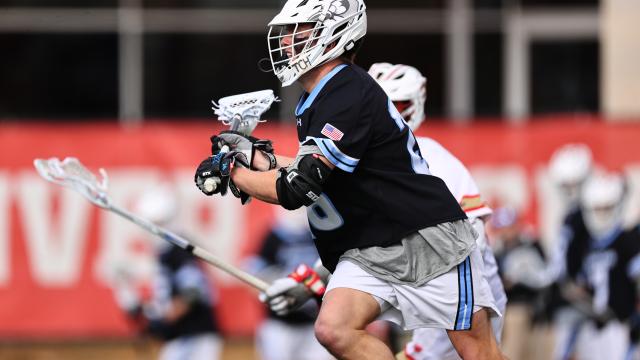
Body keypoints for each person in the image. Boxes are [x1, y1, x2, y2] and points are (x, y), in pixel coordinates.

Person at [194, 1, 503, 359]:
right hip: (370, 246)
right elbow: (312, 169)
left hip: (424, 240)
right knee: (333, 330)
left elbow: (299, 186)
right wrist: (254, 158)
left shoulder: (346, 92)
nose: (289, 41)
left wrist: (233, 172)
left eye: (302, 31)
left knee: (479, 354)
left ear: (336, 35)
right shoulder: (323, 95)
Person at [363, 63, 508, 360]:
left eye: (395, 105)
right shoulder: (367, 163)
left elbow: (473, 235)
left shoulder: (431, 156)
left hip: (460, 291)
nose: (387, 114)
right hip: (432, 293)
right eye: (380, 105)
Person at [112, 185, 222, 360]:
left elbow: (192, 292)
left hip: (194, 335)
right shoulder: (166, 252)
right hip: (182, 336)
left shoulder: (179, 250)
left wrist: (160, 316)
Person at [548, 171, 640, 360]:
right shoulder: (585, 243)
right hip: (591, 326)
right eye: (597, 209)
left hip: (620, 326)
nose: (602, 215)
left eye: (606, 208)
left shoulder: (628, 240)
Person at [245, 207, 333, 360]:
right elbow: (256, 275)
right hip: (280, 323)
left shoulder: (318, 237)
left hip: (314, 322)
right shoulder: (273, 237)